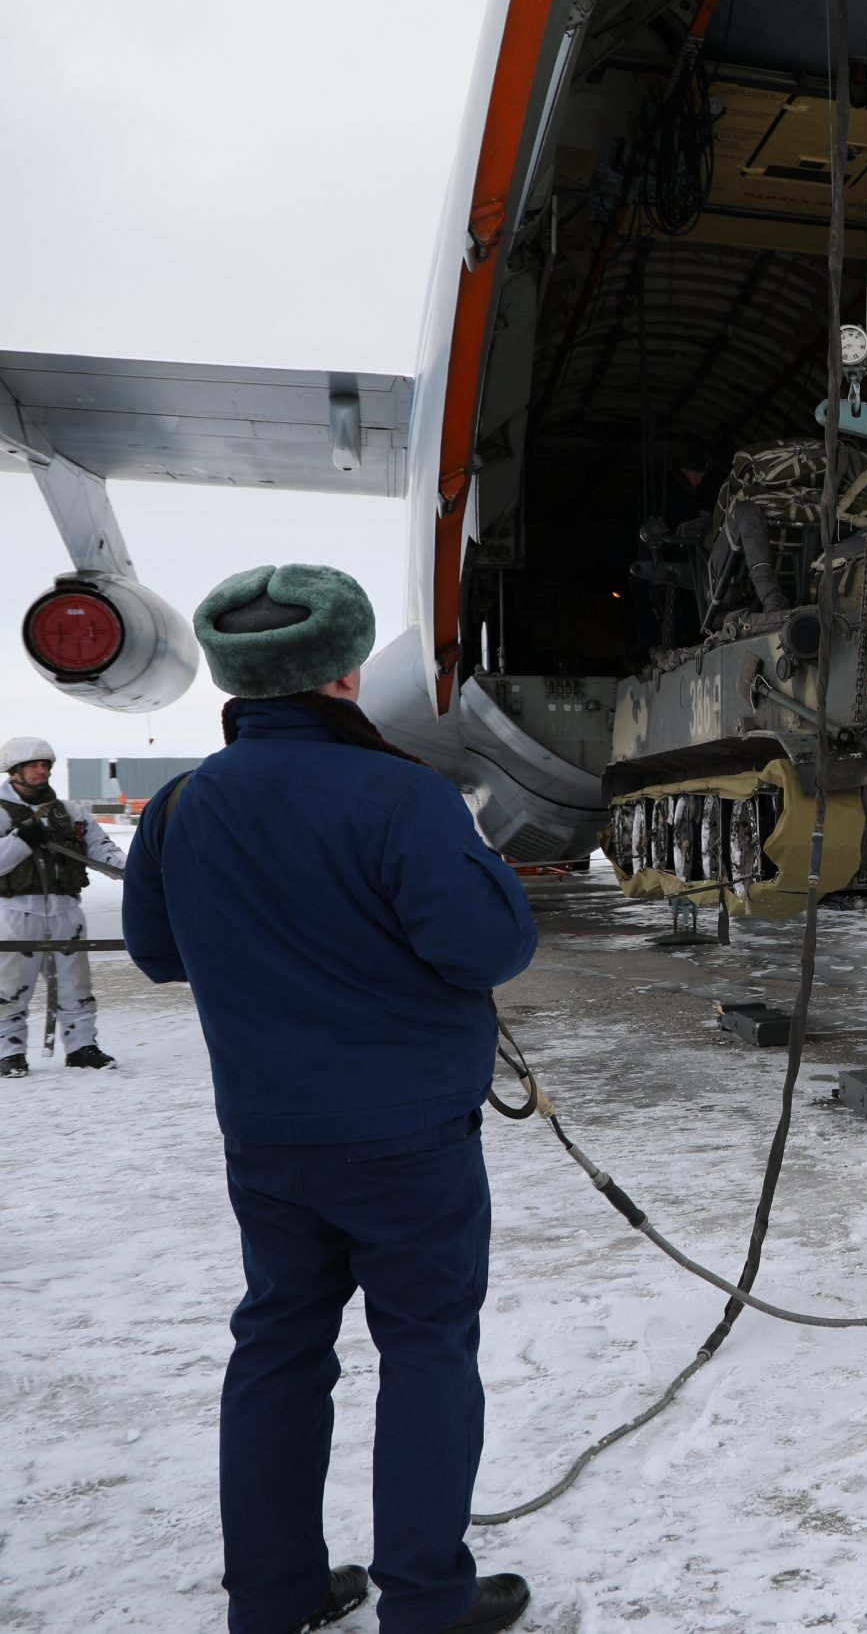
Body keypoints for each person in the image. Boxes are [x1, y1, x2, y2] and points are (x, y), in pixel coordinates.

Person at [120, 564, 540, 1634]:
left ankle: (271, 1599)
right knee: (429, 1351)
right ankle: (427, 1601)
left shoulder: (181, 805)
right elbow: (484, 947)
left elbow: (158, 954)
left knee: (277, 1352)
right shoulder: (402, 793)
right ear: (344, 671)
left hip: (268, 1140)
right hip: (408, 1142)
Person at [1, 736, 126, 1075]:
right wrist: (21, 839)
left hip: (65, 910)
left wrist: (129, 871)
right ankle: (8, 1053)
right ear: (14, 771)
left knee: (76, 986)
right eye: (33, 765)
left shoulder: (70, 812)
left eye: (45, 765)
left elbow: (101, 847)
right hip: (14, 912)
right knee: (9, 989)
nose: (42, 771)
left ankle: (82, 1046)